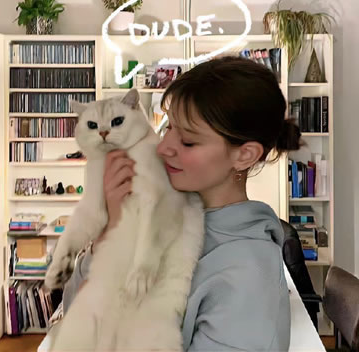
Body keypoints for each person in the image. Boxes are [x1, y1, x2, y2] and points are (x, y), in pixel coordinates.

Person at [62, 56, 303, 351]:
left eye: (188, 141)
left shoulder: (247, 276)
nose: (163, 147)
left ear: (244, 155)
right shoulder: (159, 209)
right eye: (168, 128)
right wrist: (110, 231)